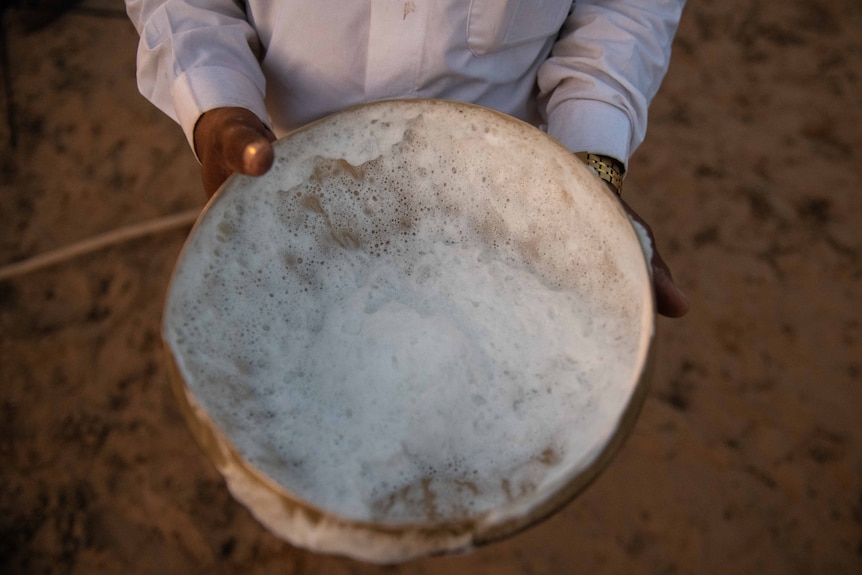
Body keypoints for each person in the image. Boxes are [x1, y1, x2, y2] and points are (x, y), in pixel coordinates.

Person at [125, 0, 689, 318]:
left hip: (500, 209)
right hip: (284, 170)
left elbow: (625, 10)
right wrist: (214, 101)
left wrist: (589, 166)